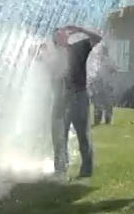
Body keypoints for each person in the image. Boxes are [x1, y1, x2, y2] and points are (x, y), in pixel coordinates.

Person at [46, 25, 103, 179]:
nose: (60, 37)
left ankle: (86, 171)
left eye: (62, 34)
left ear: (67, 37)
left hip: (79, 96)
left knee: (83, 134)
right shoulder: (53, 57)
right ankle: (60, 171)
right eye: (56, 35)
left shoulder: (79, 48)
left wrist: (80, 29)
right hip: (61, 98)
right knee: (59, 135)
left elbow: (98, 38)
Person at [89, 44, 116, 126]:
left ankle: (108, 120)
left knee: (107, 103)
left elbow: (113, 70)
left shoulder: (109, 61)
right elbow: (93, 72)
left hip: (106, 85)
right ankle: (98, 120)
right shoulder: (97, 61)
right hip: (98, 85)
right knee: (98, 104)